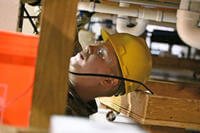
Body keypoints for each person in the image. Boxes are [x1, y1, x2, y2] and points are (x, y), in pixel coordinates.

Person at [66, 29, 152, 117]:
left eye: (100, 53)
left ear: (108, 81)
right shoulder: (66, 53)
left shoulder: (66, 120)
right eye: (97, 44)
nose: (89, 47)